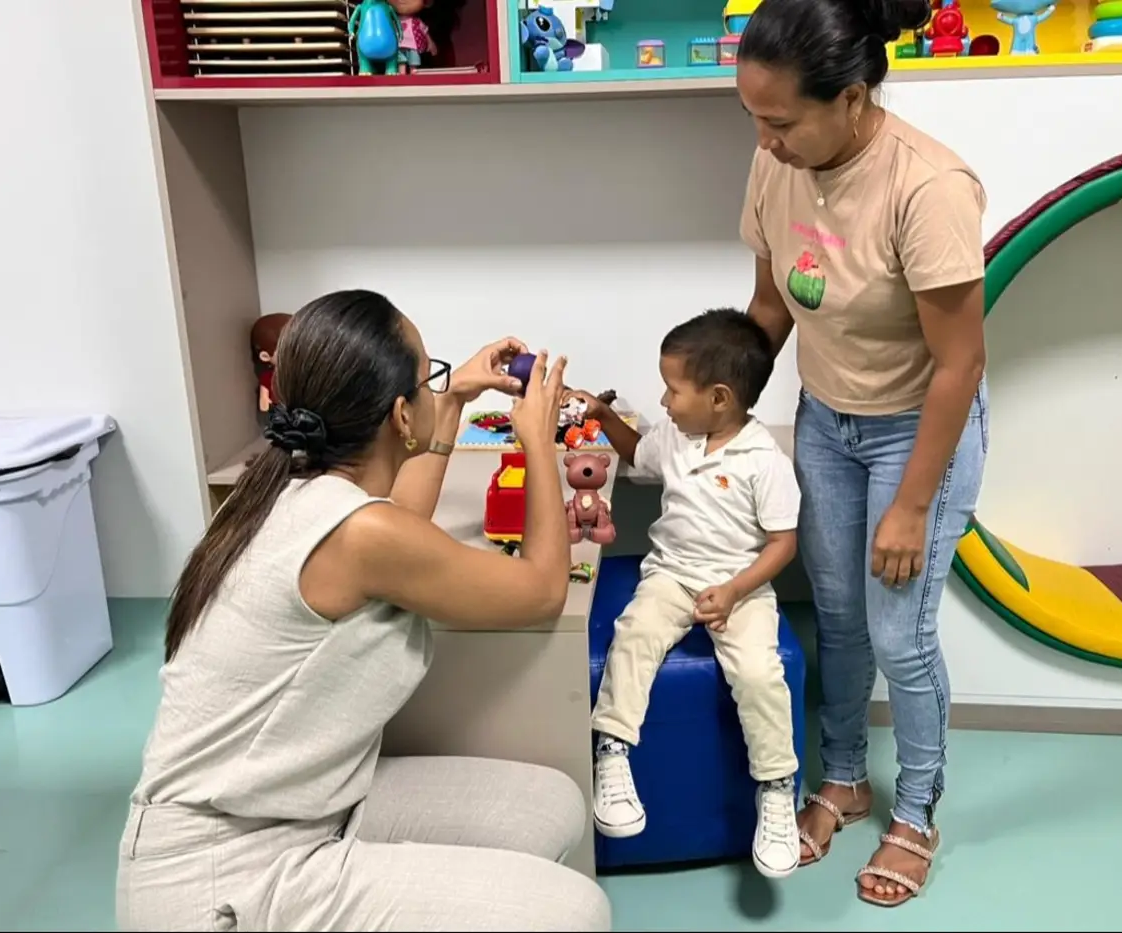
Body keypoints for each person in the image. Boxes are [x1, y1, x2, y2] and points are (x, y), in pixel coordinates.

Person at [115, 290, 612, 932]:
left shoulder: (287, 489)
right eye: (430, 377)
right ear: (401, 415)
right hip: (226, 875)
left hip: (302, 810)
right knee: (576, 912)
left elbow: (400, 521)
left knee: (551, 808)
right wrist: (539, 443)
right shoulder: (358, 535)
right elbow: (541, 588)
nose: (439, 385)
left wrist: (453, 400)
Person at [735, 0, 990, 909]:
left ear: (850, 98)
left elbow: (960, 363)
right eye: (752, 117)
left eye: (780, 121)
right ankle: (842, 777)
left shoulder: (928, 186)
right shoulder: (776, 167)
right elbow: (770, 308)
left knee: (898, 633)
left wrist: (912, 504)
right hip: (826, 419)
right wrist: (717, 403)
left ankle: (915, 813)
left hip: (917, 428)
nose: (765, 143)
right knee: (837, 616)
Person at [570, 308, 804, 879]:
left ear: (719, 398)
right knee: (634, 635)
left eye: (673, 389)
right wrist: (603, 415)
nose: (664, 401)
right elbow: (636, 452)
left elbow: (783, 544)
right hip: (672, 574)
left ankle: (776, 786)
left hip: (741, 586)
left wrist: (735, 590)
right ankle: (612, 750)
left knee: (758, 673)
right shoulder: (676, 437)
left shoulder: (764, 462)